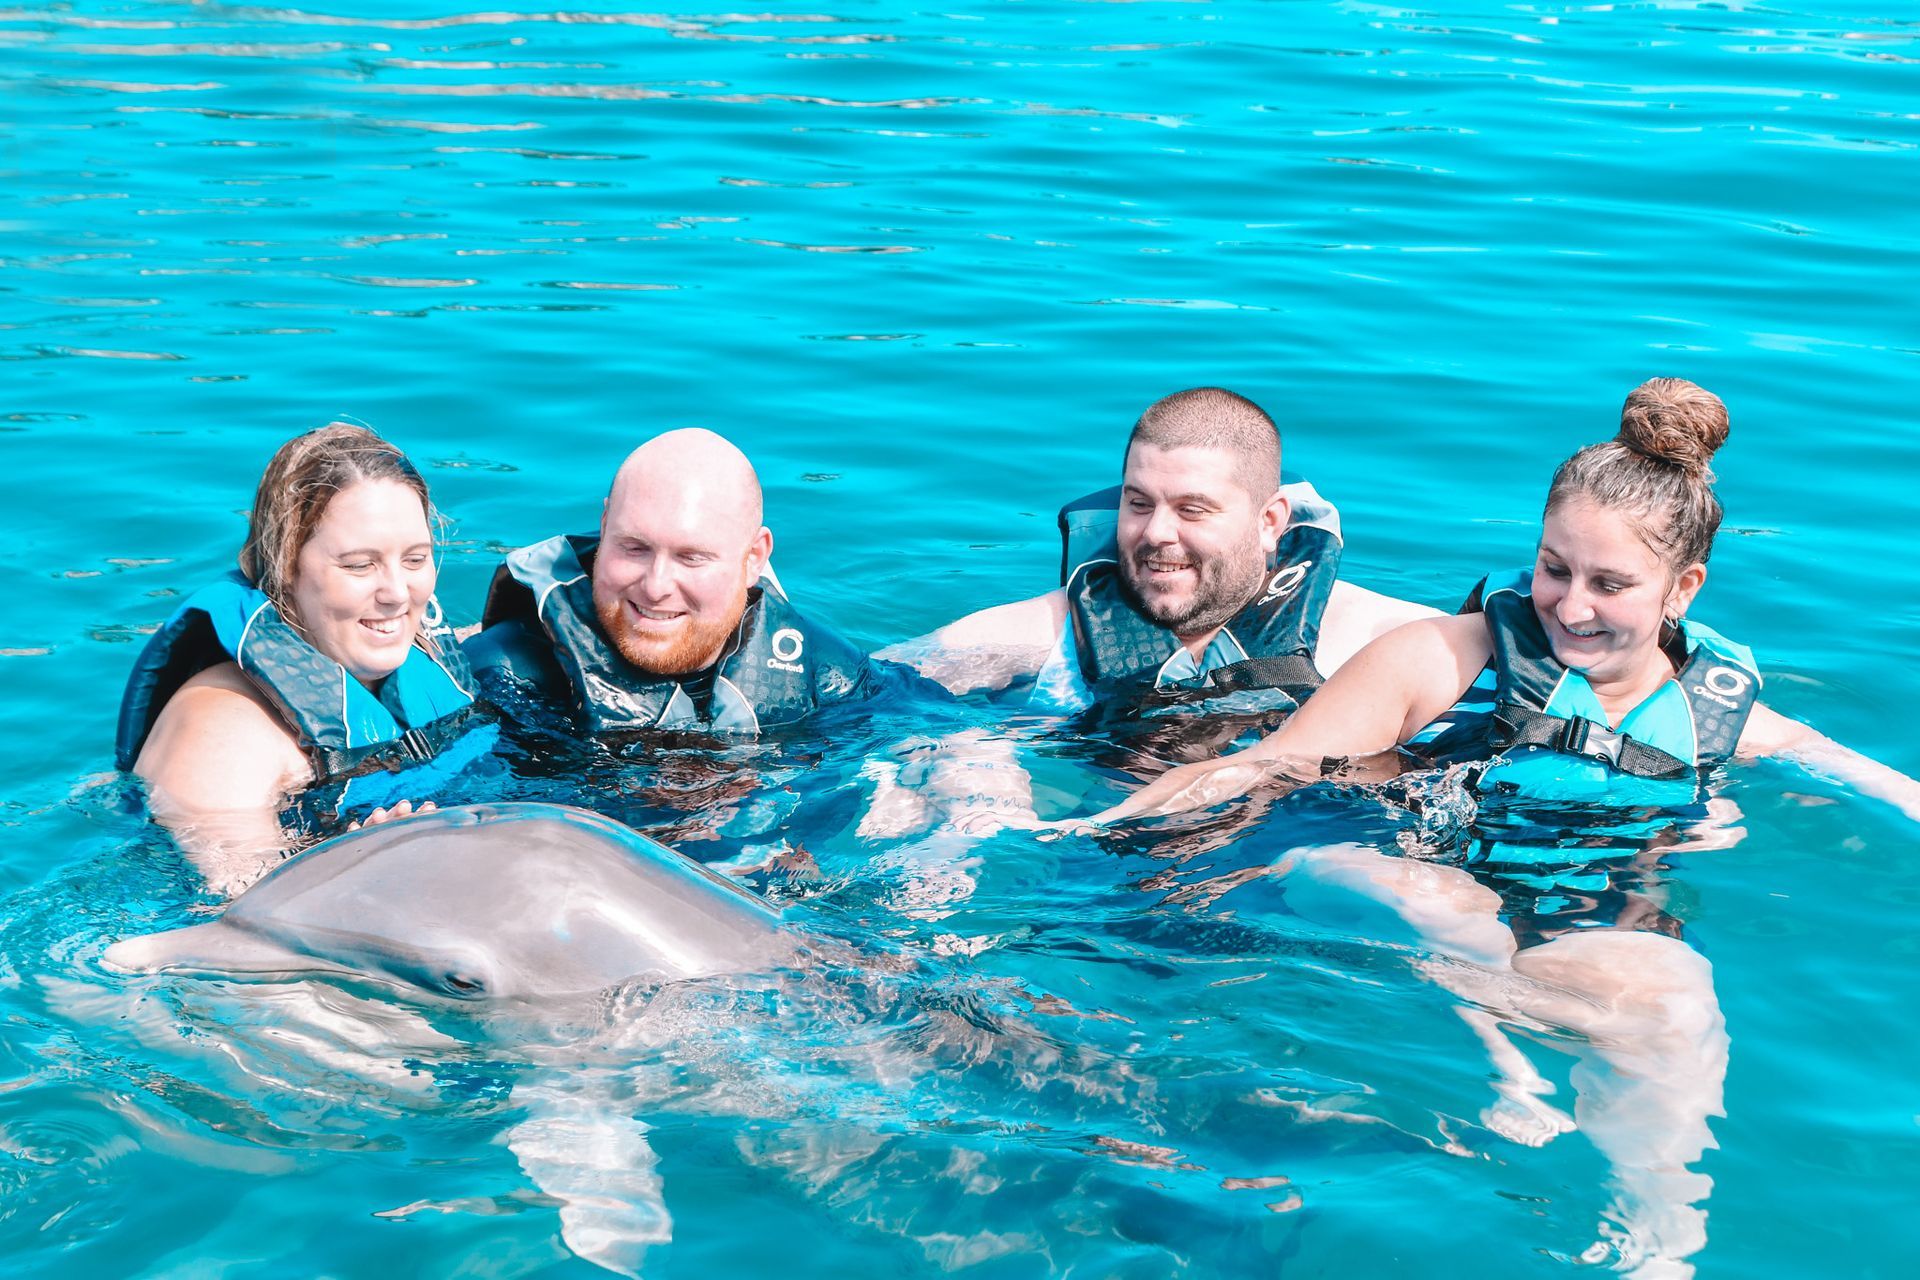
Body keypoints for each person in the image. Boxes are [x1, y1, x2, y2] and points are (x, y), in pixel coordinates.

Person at [1092, 378, 1920, 1274]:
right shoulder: (1443, 657)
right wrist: (1091, 830)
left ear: (1683, 587)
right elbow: (1259, 768)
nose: (1569, 605)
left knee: (1679, 1007)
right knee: (1444, 907)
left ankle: (1657, 1243)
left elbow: (1870, 779)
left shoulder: (1713, 711)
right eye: (1554, 568)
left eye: (1611, 584)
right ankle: (1502, 1054)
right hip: (1368, 862)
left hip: (1562, 913)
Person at [881, 387, 1439, 722]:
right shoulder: (1040, 636)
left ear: (1269, 522)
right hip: (1089, 868)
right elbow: (859, 695)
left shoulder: (1381, 641)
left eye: (1192, 510)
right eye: (1139, 503)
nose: (1156, 534)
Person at [117, 423, 491, 895]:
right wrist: (350, 869)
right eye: (359, 565)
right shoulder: (221, 731)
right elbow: (239, 917)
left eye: (415, 560)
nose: (397, 593)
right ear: (286, 570)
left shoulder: (430, 657)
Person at [466, 428, 888, 738]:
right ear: (605, 524)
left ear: (753, 558)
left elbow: (919, 730)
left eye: (691, 558)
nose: (655, 586)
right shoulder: (502, 675)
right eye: (634, 548)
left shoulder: (822, 673)